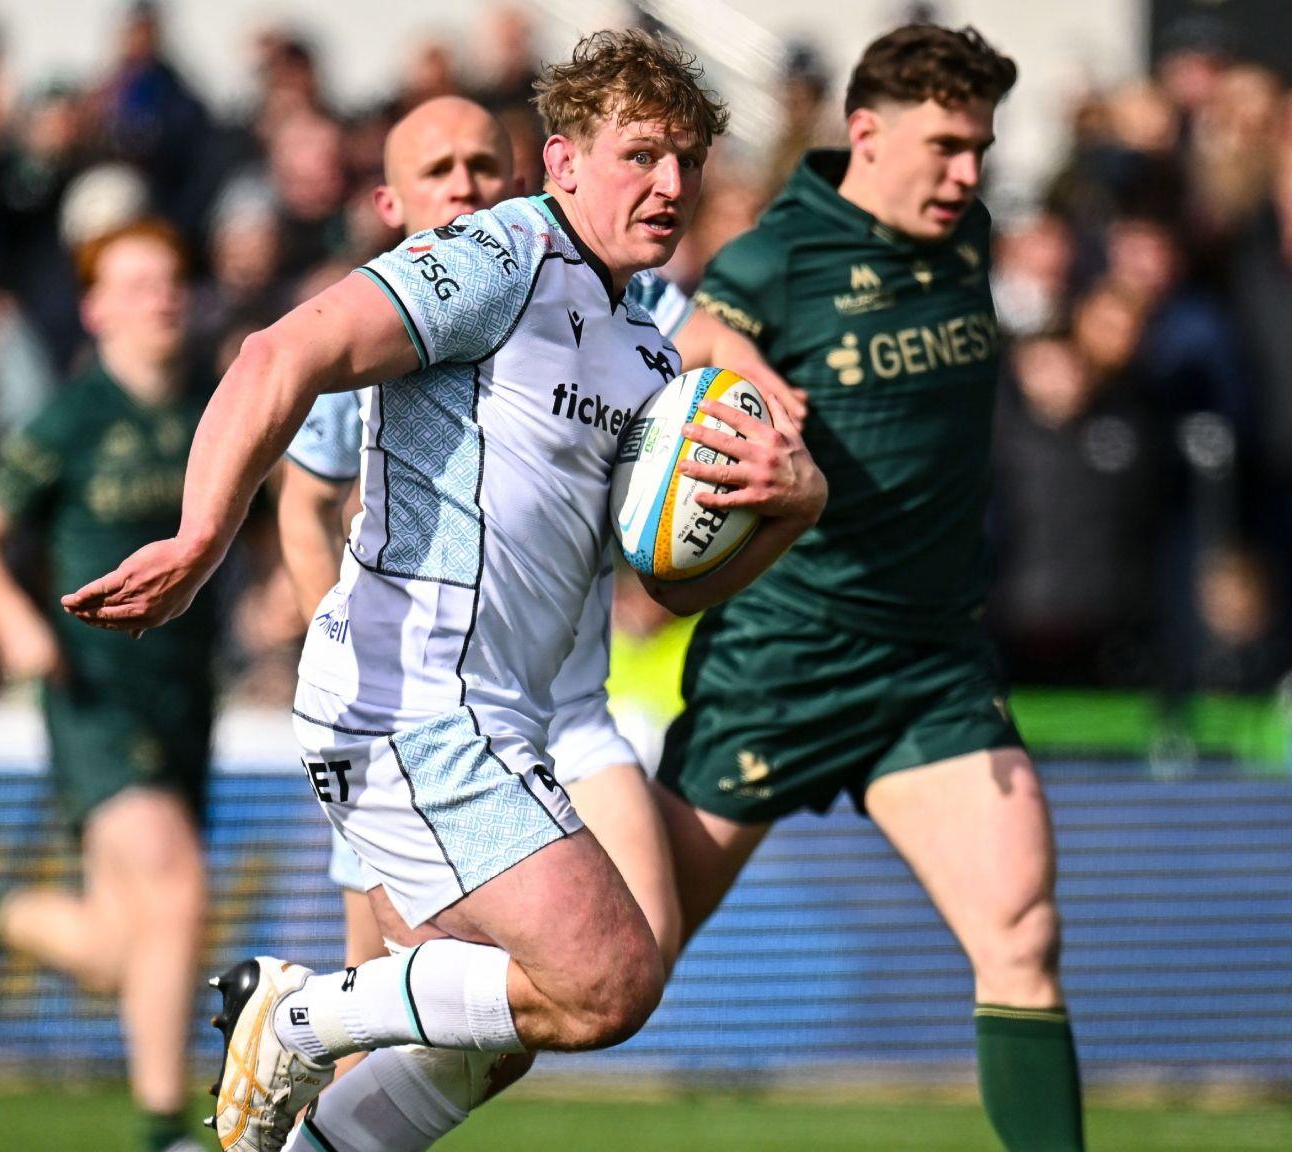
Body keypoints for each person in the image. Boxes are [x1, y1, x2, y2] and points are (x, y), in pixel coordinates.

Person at [61, 30, 824, 1152]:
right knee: (609, 979)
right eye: (640, 155)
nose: (669, 185)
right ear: (559, 163)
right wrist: (200, 533)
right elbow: (279, 356)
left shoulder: (646, 348)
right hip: (416, 707)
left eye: (688, 161)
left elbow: (669, 581)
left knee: (493, 1031)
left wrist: (790, 509)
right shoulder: (500, 256)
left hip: (500, 720)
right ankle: (300, 1011)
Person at [659, 26, 1086, 1151]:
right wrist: (736, 378)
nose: (967, 174)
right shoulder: (778, 257)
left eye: (979, 149)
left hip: (930, 668)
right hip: (782, 665)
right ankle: (353, 1060)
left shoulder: (964, 236)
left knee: (1021, 937)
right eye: (944, 145)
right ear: (865, 133)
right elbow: (702, 329)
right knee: (612, 972)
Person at [280, 94, 792, 1002]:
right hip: (415, 705)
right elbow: (305, 503)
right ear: (390, 203)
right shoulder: (377, 317)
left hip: (568, 710)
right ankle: (303, 1071)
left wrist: (770, 419)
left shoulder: (607, 290)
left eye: (482, 165)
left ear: (525, 180)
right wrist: (339, 637)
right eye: (437, 172)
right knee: (406, 993)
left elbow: (709, 343)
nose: (464, 184)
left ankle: (310, 1026)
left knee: (625, 958)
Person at [0, 220, 213, 1152]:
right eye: (138, 282)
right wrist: (23, 631)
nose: (163, 296)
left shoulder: (211, 403)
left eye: (171, 279)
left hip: (184, 698)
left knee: (125, 951)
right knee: (178, 890)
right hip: (91, 694)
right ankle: (166, 1134)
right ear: (95, 309)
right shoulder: (73, 416)